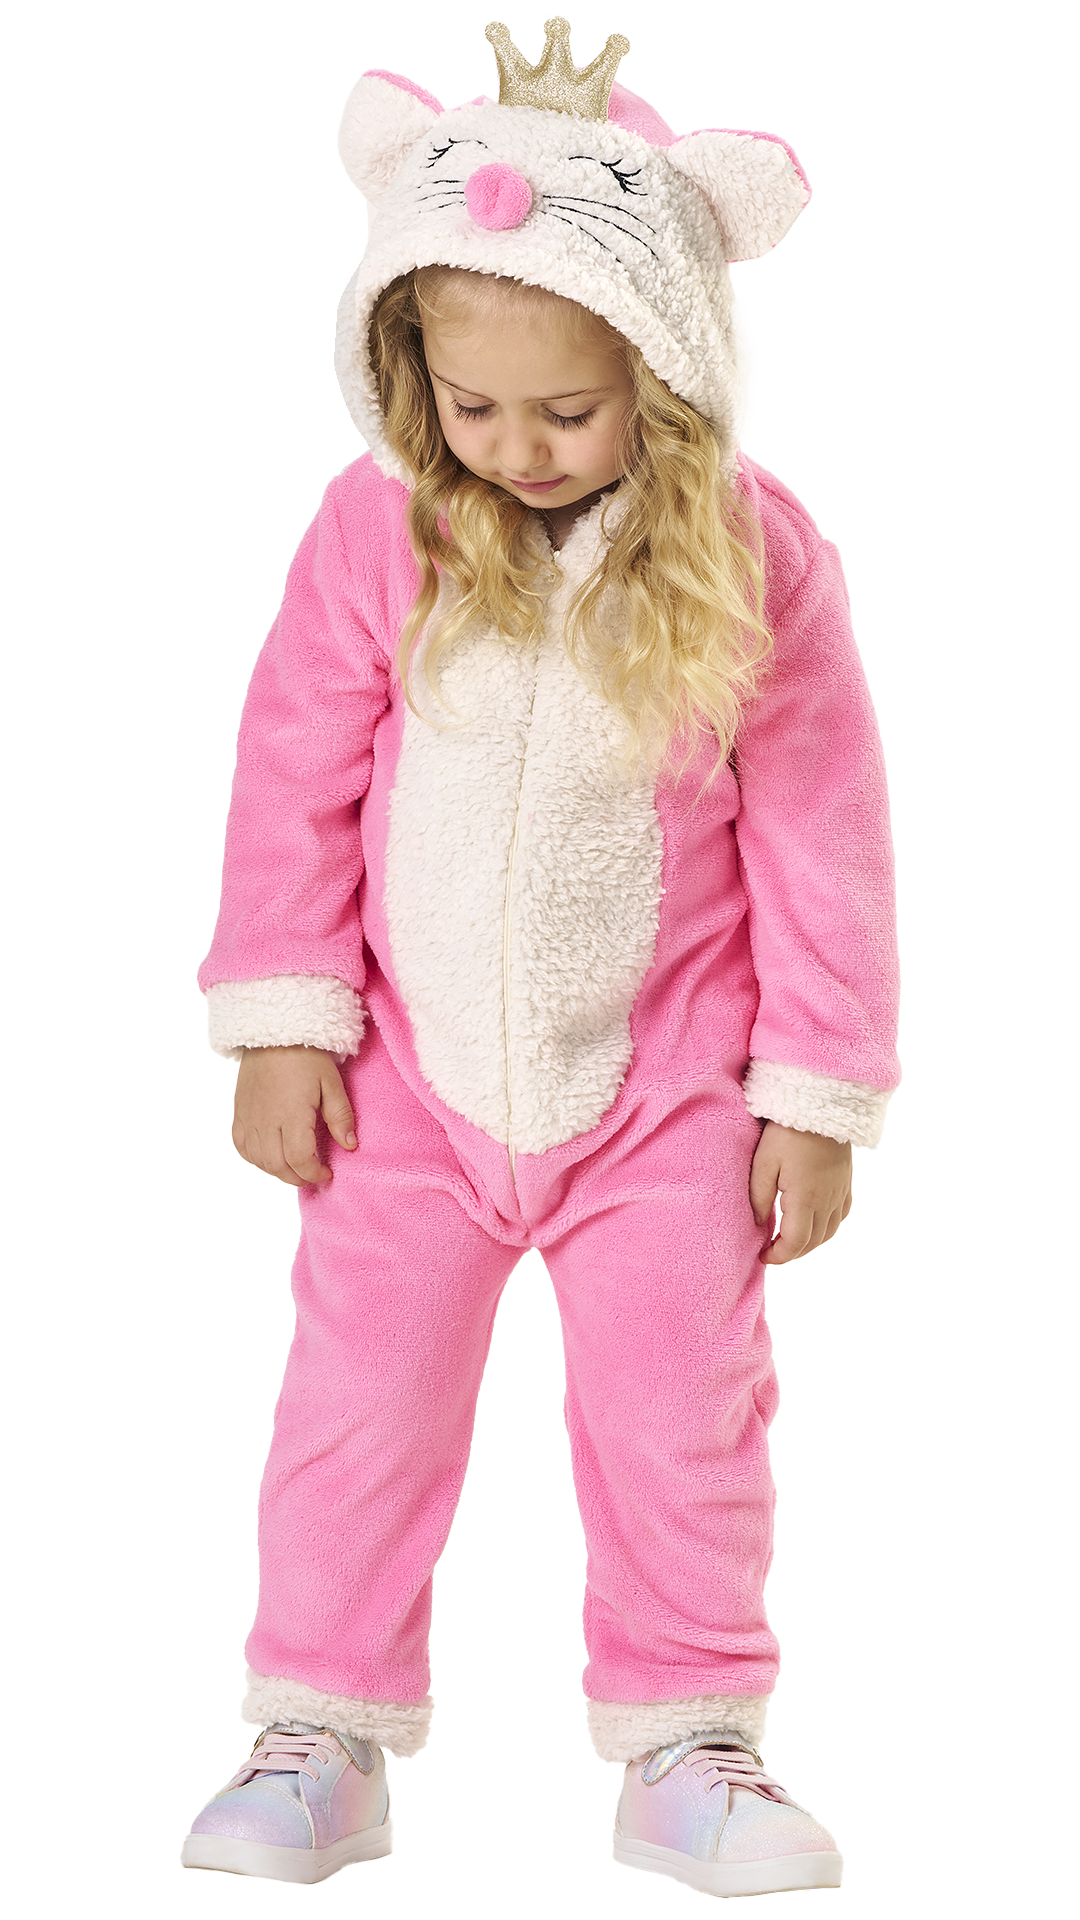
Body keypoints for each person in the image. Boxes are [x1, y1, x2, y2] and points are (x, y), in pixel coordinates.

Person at [181, 16, 900, 1899]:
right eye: (470, 404)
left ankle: (690, 1745)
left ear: (667, 370)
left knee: (682, 1425)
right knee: (357, 1414)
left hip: (666, 1092)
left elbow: (825, 834)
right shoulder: (377, 532)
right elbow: (293, 768)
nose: (512, 449)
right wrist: (284, 1015)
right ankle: (317, 1732)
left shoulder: (758, 559)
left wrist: (817, 1094)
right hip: (406, 1091)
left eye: (567, 413)